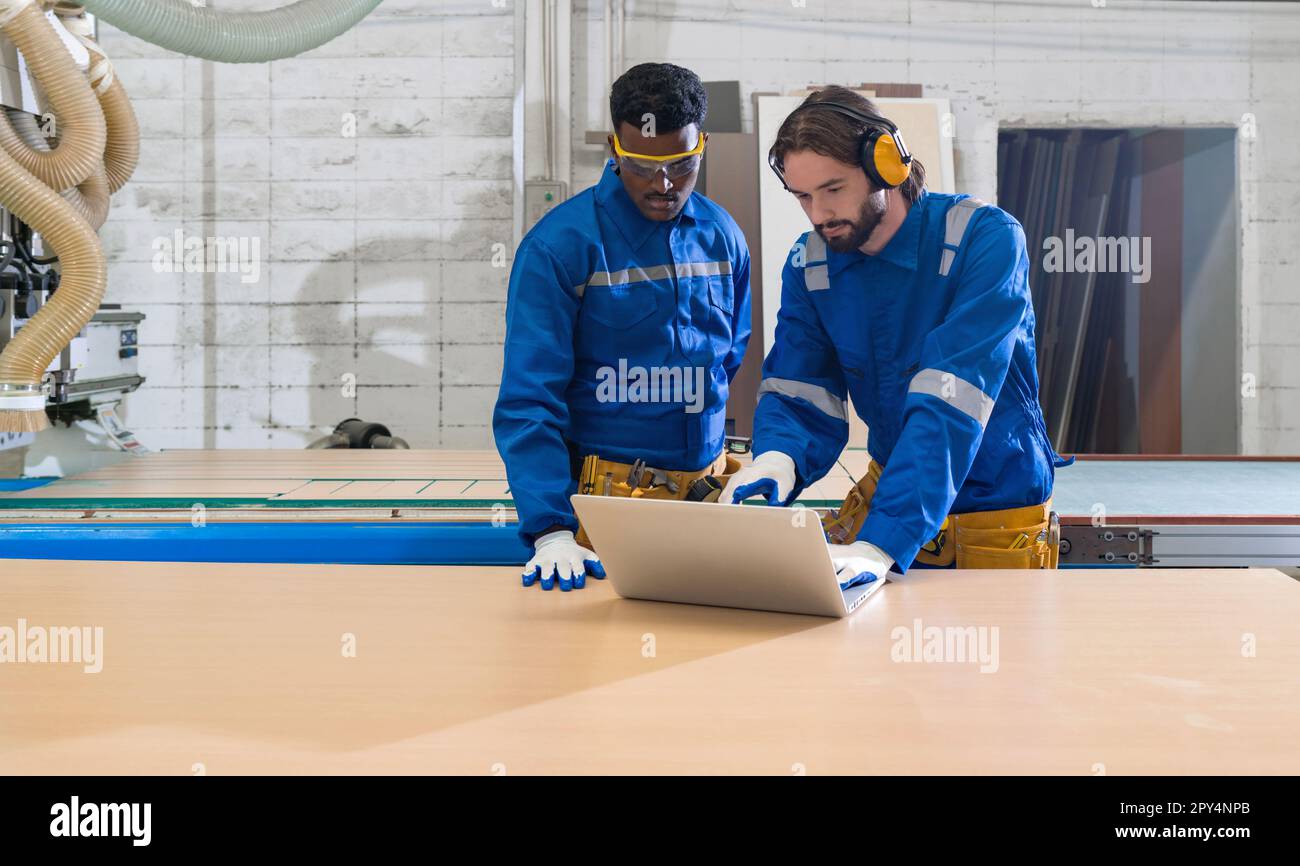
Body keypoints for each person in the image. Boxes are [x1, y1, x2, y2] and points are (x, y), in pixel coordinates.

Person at [722, 86, 1068, 588]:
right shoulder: (811, 263)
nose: (818, 214)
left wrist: (882, 541)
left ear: (887, 165)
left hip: (994, 515)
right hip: (888, 499)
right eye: (803, 197)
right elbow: (800, 387)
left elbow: (951, 399)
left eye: (833, 189)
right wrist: (777, 459)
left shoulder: (984, 239)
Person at [494, 63, 752, 592]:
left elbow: (729, 359)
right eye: (640, 165)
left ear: (702, 144)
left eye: (681, 164)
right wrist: (551, 530)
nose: (663, 184)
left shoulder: (723, 236)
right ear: (614, 148)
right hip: (602, 525)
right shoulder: (559, 248)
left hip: (709, 501)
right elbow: (529, 400)